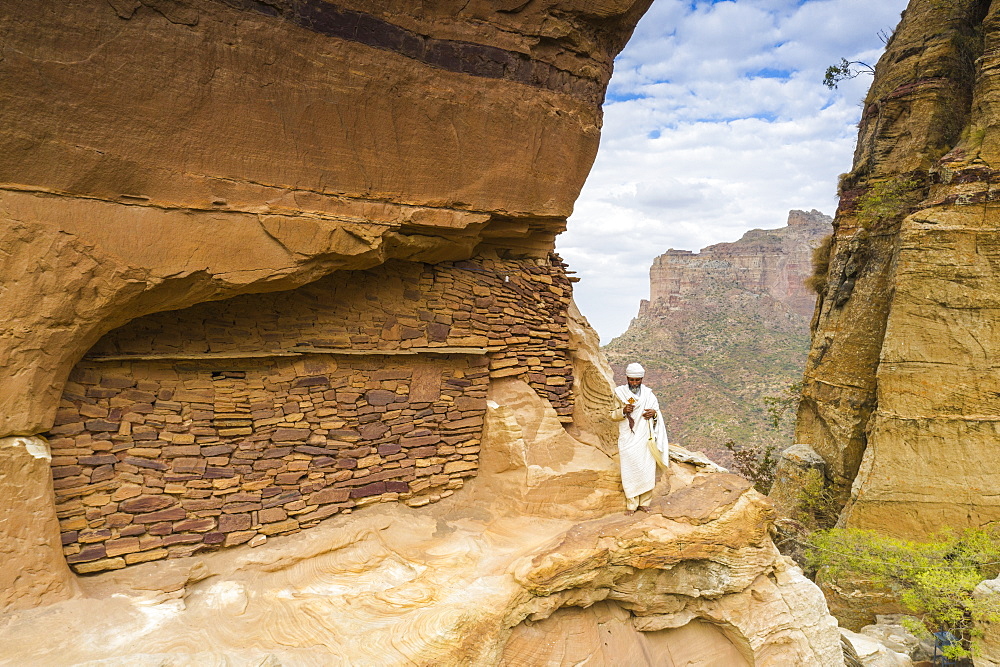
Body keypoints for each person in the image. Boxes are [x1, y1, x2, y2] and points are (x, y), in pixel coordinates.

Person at [609, 362, 668, 515]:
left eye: (637, 380)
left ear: (642, 379)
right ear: (627, 378)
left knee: (646, 468)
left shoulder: (649, 394)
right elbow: (612, 415)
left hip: (645, 437)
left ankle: (644, 503)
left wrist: (654, 414)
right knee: (630, 469)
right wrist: (623, 410)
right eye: (631, 380)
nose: (634, 383)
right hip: (628, 438)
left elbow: (656, 413)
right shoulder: (620, 393)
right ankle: (631, 504)